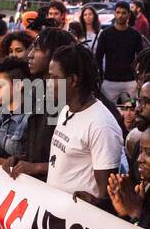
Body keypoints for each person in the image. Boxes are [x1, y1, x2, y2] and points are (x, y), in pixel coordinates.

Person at [44, 44, 123, 205]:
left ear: (73, 80)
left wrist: (92, 204)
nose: (48, 83)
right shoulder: (67, 109)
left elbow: (107, 195)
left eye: (54, 77)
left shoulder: (101, 125)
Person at [6, 28, 76, 182]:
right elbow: (42, 148)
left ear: (55, 54)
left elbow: (75, 160)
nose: (29, 55)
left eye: (37, 50)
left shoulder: (69, 100)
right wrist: (22, 159)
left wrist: (37, 167)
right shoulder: (39, 91)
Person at [94, 1, 147, 107]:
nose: (120, 15)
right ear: (114, 13)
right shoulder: (105, 34)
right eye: (118, 12)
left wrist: (139, 77)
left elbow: (141, 57)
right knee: (109, 112)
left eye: (123, 13)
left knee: (130, 110)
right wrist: (100, 78)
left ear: (128, 14)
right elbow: (98, 57)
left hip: (130, 83)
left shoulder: (135, 34)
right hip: (109, 82)